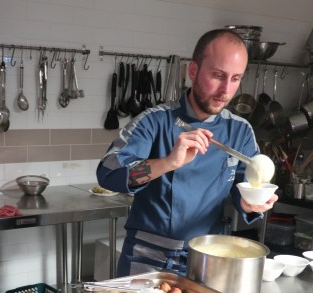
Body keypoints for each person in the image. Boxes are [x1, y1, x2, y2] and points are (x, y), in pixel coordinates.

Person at [97, 29, 278, 277]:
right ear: (193, 71)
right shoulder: (153, 121)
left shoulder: (240, 131)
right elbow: (109, 172)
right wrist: (167, 163)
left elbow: (243, 186)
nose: (226, 90)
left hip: (210, 258)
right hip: (147, 257)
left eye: (235, 78)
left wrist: (250, 204)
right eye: (218, 75)